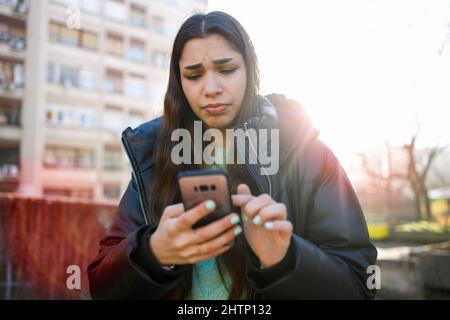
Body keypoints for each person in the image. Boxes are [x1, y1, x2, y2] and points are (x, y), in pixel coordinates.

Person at [88, 11, 377, 299]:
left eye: (226, 70)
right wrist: (153, 254)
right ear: (179, 82)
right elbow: (101, 287)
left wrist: (286, 259)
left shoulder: (306, 152)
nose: (211, 89)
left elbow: (359, 286)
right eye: (193, 75)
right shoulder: (152, 157)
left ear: (250, 71)